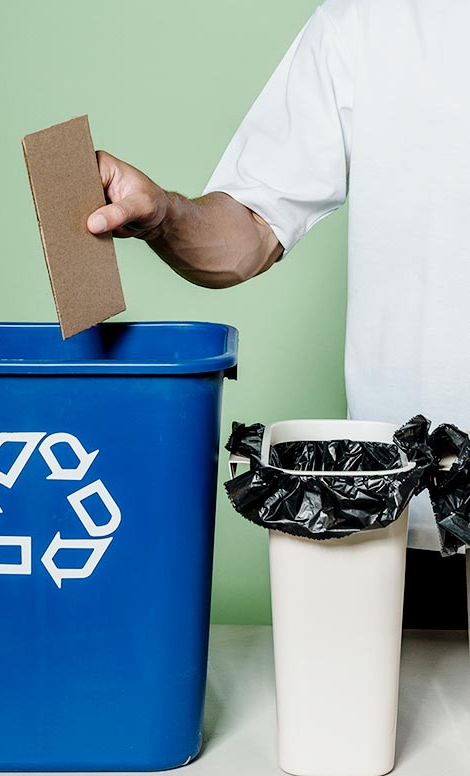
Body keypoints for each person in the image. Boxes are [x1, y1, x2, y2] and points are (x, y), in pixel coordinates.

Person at [87, 0, 470, 627]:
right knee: (402, 723)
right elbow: (250, 229)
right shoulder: (367, 23)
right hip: (419, 520)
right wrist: (165, 213)